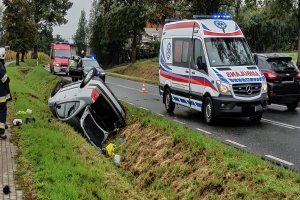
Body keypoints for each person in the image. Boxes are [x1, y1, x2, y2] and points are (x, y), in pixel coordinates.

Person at [0, 48, 11, 139]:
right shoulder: (0, 65)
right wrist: (8, 80)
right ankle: (1, 131)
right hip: (0, 95)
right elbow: (4, 79)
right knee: (2, 111)